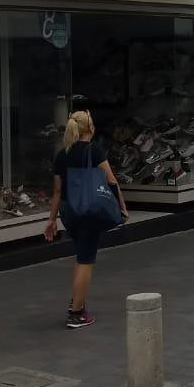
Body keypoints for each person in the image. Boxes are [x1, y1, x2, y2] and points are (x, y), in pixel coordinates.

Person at [45, 111, 128, 329]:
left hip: (70, 213)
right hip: (90, 213)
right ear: (90, 128)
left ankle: (77, 301)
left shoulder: (62, 154)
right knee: (86, 260)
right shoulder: (95, 150)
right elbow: (111, 181)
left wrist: (51, 220)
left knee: (80, 255)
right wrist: (122, 208)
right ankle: (76, 314)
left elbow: (56, 190)